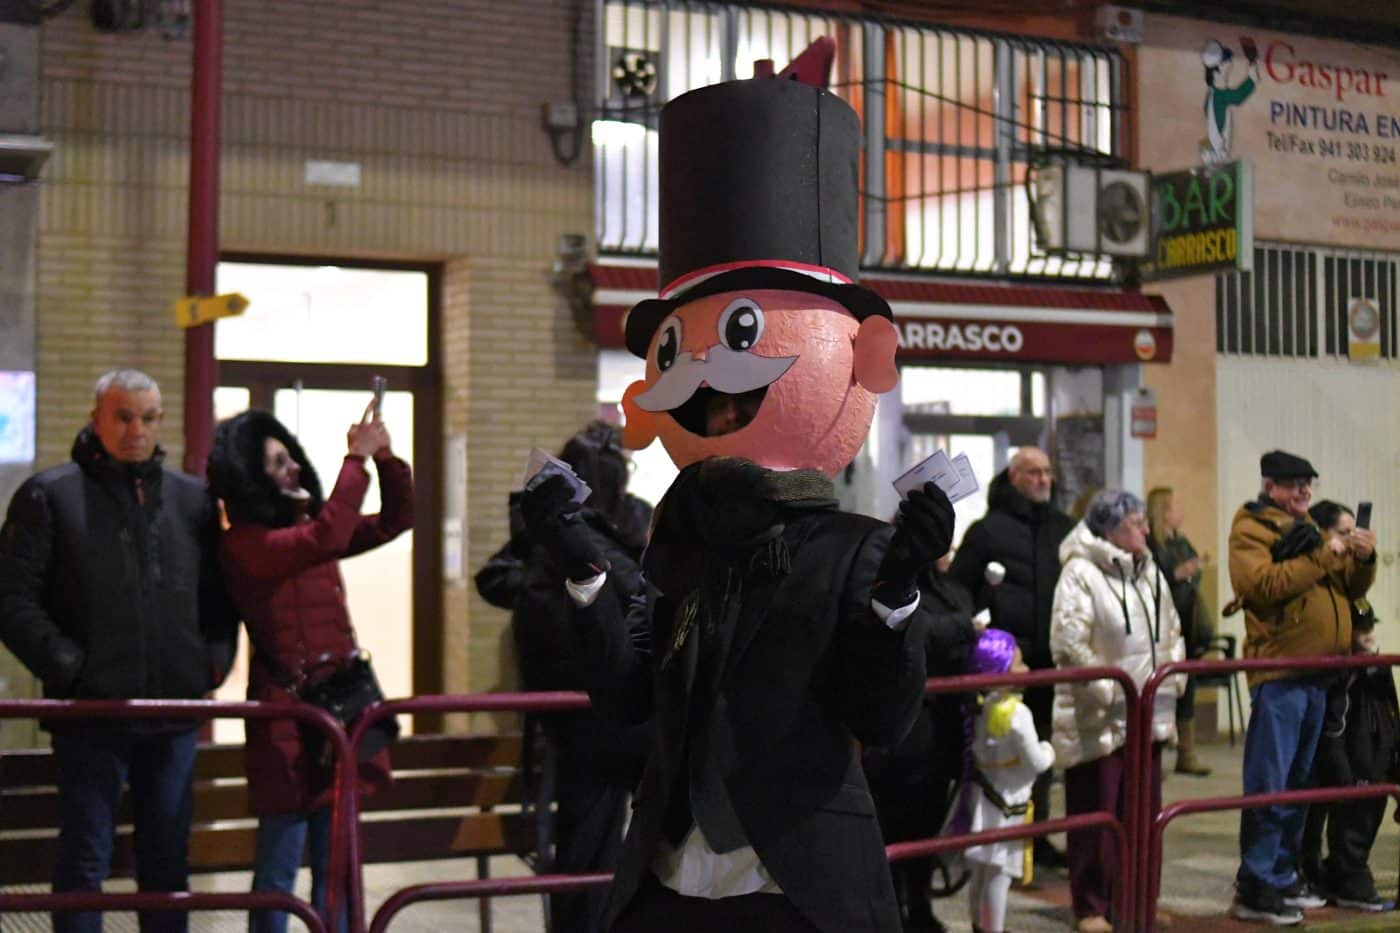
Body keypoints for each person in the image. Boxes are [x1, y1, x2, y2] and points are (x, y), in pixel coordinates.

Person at [523, 71, 952, 932]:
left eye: (746, 340)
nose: (716, 391)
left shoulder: (851, 547)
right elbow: (631, 694)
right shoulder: (678, 543)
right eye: (684, 354)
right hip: (668, 881)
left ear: (859, 354)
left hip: (798, 886)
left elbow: (881, 714)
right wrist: (581, 568)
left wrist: (901, 592)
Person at [0, 368, 237, 933]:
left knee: (167, 863)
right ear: (97, 418)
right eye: (123, 416)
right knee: (86, 858)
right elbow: (11, 599)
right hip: (90, 716)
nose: (136, 429)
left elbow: (221, 595)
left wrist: (210, 664)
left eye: (148, 418)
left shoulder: (191, 500)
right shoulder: (49, 495)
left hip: (173, 714)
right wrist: (71, 670)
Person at [205, 402, 413, 933]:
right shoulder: (246, 543)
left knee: (337, 862)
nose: (292, 468)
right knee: (279, 864)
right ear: (249, 476)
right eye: (276, 463)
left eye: (290, 457)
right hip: (286, 722)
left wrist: (385, 459)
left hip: (337, 711)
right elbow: (322, 539)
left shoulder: (304, 532)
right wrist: (355, 461)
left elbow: (395, 520)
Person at [476, 420, 653, 933]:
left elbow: (496, 581)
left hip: (578, 719)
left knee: (587, 848)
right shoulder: (590, 541)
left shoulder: (549, 541)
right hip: (606, 715)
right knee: (598, 849)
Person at [1227, 451, 1375, 926]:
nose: (1304, 493)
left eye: (1308, 485)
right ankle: (1255, 883)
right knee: (1270, 784)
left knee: (1297, 785)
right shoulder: (1251, 528)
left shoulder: (1313, 529)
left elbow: (1350, 590)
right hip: (1281, 674)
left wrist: (1363, 559)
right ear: (1270, 487)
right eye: (1294, 485)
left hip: (1318, 675)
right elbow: (1262, 584)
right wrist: (1320, 555)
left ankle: (1282, 873)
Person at [1050, 490, 1184, 933]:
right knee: (1097, 815)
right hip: (1102, 717)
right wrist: (1113, 691)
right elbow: (1069, 643)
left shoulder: (1149, 572)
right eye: (1136, 523)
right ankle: (1090, 906)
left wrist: (1173, 680)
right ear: (1111, 529)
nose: (1147, 530)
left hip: (1148, 714)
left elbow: (1173, 629)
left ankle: (1137, 900)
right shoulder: (1080, 573)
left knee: (1144, 818)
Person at [948, 447, 1076, 869]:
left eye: (1047, 472)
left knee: (1040, 750)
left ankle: (1035, 838)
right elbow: (960, 588)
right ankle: (993, 837)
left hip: (1051, 661)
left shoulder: (1064, 528)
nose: (1043, 480)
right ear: (1015, 476)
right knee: (1002, 754)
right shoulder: (989, 531)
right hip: (1007, 665)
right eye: (1033, 472)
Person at [865, 551, 978, 933]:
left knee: (929, 822)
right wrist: (965, 627)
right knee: (896, 824)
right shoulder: (895, 583)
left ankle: (920, 904)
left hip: (943, 727)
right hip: (907, 734)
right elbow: (918, 631)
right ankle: (894, 911)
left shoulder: (952, 588)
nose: (949, 551)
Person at [947, 628, 1054, 933]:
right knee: (1000, 873)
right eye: (1019, 664)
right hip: (1009, 805)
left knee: (980, 870)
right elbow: (1036, 762)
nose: (1027, 670)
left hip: (984, 800)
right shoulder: (1018, 714)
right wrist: (1049, 750)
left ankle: (978, 924)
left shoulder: (979, 710)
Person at [1145, 486, 1214, 777]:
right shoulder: (1152, 544)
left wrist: (1193, 569)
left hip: (1186, 624)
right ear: (1163, 511)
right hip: (1160, 625)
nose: (1180, 512)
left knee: (1187, 687)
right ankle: (1154, 756)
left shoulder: (1181, 542)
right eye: (1175, 506)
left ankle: (1186, 752)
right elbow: (1155, 578)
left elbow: (1195, 568)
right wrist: (1178, 574)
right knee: (1161, 689)